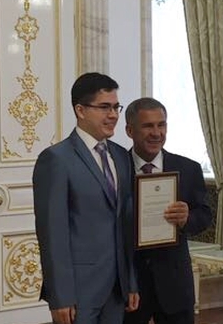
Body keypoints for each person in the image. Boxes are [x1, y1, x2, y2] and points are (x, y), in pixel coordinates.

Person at [33, 72, 139, 324]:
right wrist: (60, 296)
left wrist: (131, 281)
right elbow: (52, 234)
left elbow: (125, 225)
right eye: (104, 107)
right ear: (80, 110)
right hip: (78, 290)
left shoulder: (121, 156)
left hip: (117, 288)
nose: (113, 115)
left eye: (116, 107)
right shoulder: (56, 159)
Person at [123, 97, 212, 324]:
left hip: (175, 282)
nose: (156, 133)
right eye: (148, 126)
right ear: (129, 130)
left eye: (161, 125)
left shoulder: (188, 168)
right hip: (129, 283)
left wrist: (187, 218)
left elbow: (204, 215)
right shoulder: (116, 168)